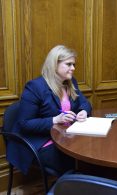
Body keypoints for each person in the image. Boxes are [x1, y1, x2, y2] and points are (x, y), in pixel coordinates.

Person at [7, 45, 92, 175]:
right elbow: (24, 123)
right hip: (40, 140)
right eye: (69, 64)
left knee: (88, 152)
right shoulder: (35, 87)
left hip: (65, 136)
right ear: (54, 64)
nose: (73, 68)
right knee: (74, 161)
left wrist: (84, 111)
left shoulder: (70, 82)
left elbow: (85, 103)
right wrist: (55, 120)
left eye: (74, 64)